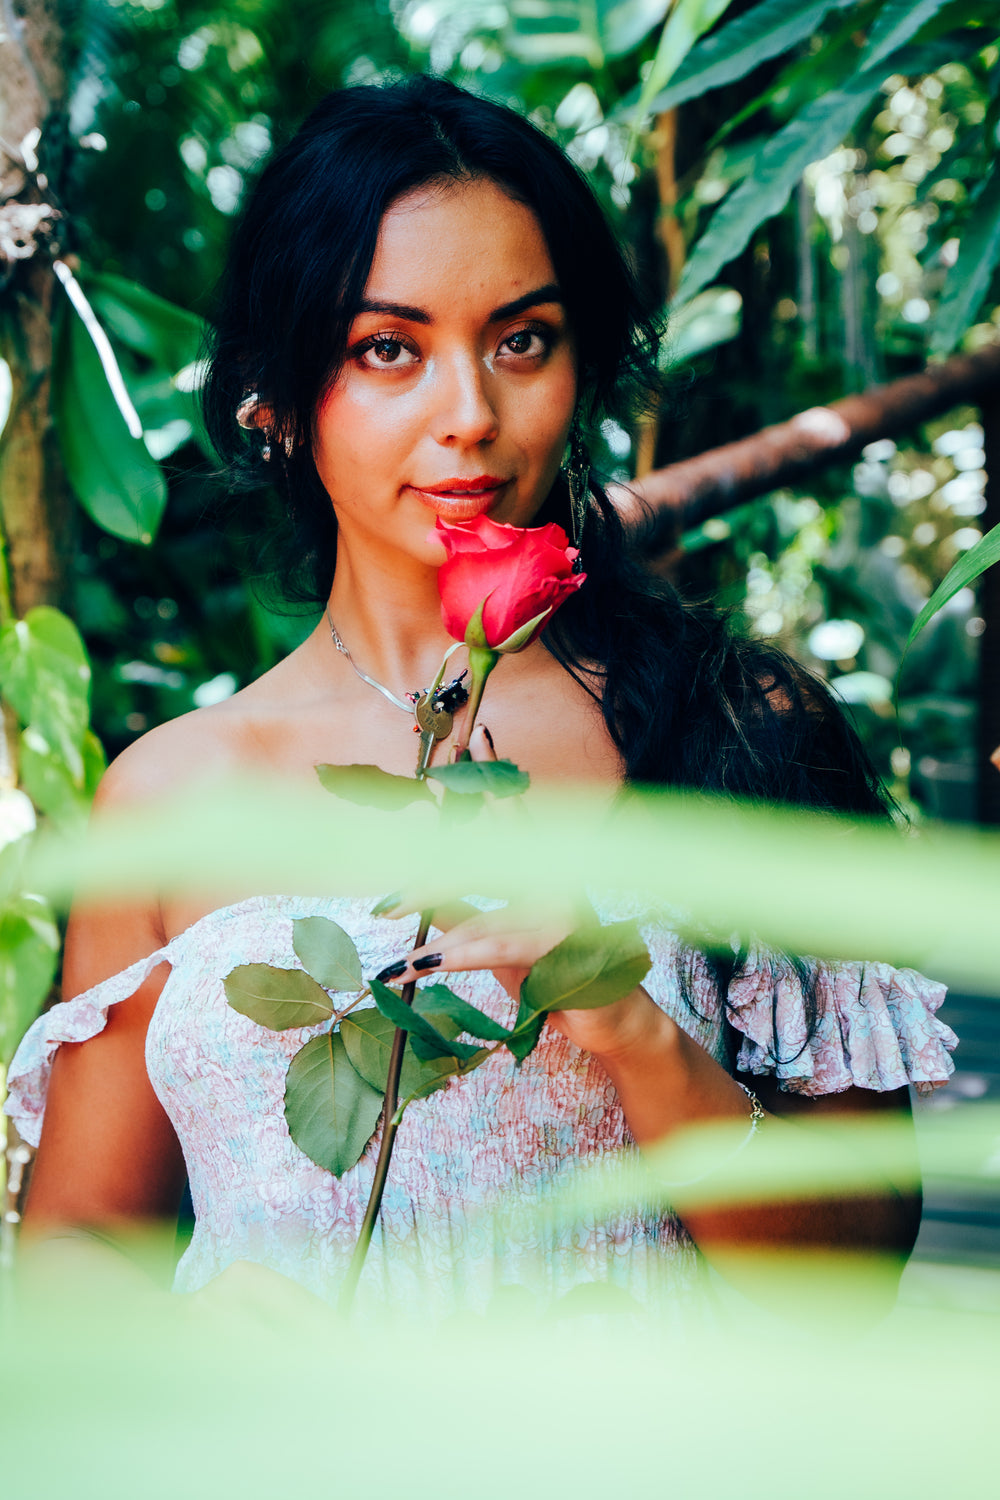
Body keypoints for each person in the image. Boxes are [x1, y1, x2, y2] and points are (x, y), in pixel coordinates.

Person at [5, 76, 955, 1317]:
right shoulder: (173, 795)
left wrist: (624, 1016)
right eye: (386, 348)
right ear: (279, 403)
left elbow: (852, 1266)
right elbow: (79, 1248)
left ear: (584, 363)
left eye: (522, 340)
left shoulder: (737, 733)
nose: (470, 415)